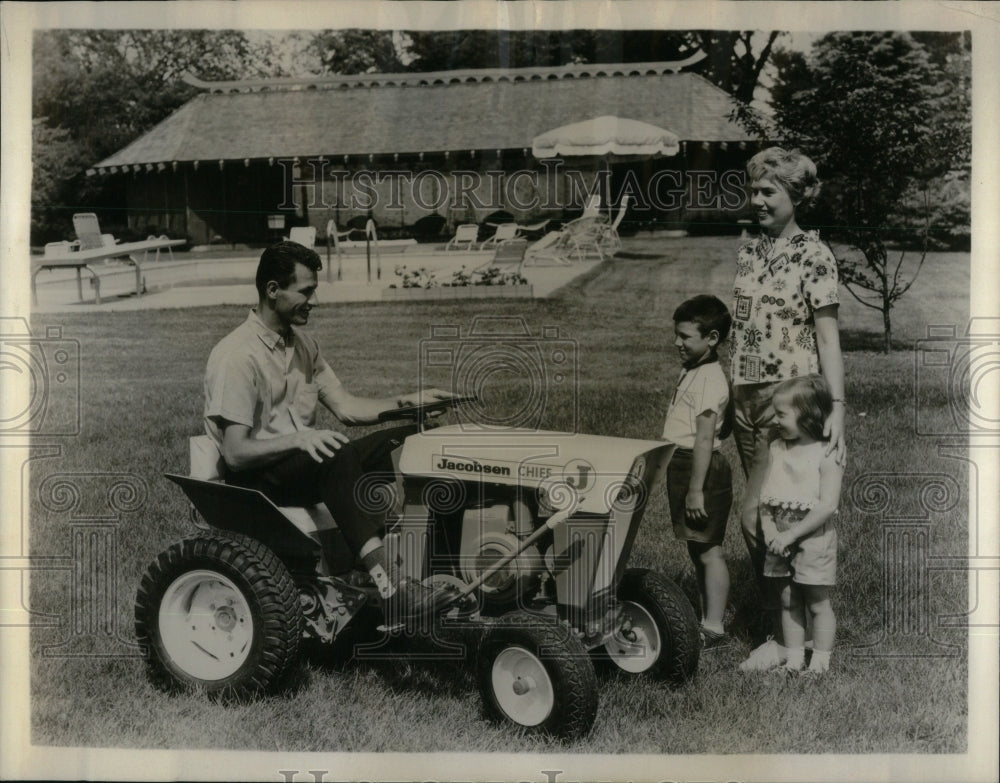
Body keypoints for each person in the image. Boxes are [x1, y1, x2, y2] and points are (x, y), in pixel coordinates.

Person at [203, 241, 453, 625]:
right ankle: (391, 586)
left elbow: (349, 409)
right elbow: (235, 453)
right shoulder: (236, 355)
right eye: (306, 291)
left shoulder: (303, 346)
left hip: (302, 466)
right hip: (255, 481)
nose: (314, 301)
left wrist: (411, 402)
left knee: (414, 441)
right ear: (273, 290)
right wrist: (301, 438)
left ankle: (439, 567)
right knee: (334, 454)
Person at [731, 148, 847, 671]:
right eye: (753, 191)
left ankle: (782, 637)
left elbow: (827, 334)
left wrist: (837, 405)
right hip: (744, 395)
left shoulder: (814, 254)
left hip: (787, 401)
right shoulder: (749, 250)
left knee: (757, 516)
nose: (756, 201)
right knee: (767, 513)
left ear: (795, 196)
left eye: (767, 192)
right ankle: (784, 634)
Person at [754, 375, 843, 673]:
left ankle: (819, 664)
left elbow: (827, 505)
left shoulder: (827, 453)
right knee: (788, 598)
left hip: (812, 536)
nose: (775, 420)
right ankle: (793, 660)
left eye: (782, 414)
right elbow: (767, 498)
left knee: (817, 601)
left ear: (808, 415)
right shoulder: (778, 449)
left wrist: (792, 534)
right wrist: (770, 532)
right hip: (780, 536)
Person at [662, 295, 735, 647]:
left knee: (709, 549)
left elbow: (706, 438)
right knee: (697, 547)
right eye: (677, 335)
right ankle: (707, 618)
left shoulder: (710, 378)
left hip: (700, 468)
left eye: (685, 337)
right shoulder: (694, 368)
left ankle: (715, 628)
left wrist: (696, 489)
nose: (677, 343)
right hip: (684, 463)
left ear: (712, 339)